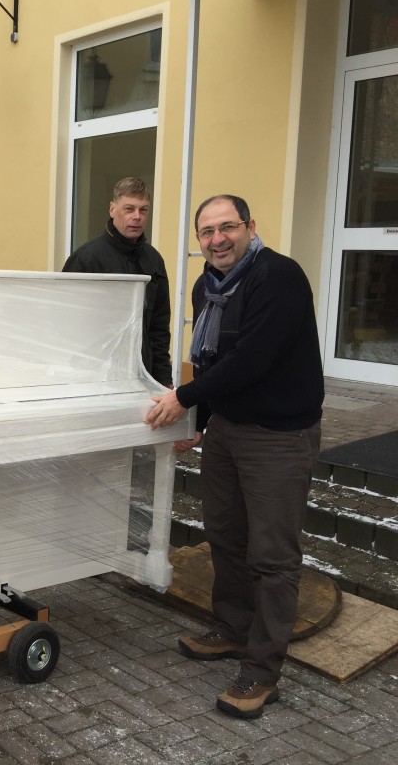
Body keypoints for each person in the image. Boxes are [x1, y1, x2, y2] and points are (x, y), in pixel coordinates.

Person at [145, 194, 323, 720]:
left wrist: (183, 399)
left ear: (250, 226)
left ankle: (262, 670)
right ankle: (232, 627)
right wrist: (197, 423)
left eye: (228, 227)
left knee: (272, 557)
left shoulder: (278, 277)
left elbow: (252, 359)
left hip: (278, 435)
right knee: (224, 533)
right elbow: (211, 358)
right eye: (207, 232)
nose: (217, 239)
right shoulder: (208, 285)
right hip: (228, 428)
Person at [63, 177, 173, 387]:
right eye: (129, 209)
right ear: (112, 209)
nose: (136, 217)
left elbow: (159, 328)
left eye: (143, 210)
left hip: (143, 375)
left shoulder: (154, 260)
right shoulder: (86, 259)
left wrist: (163, 381)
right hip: (93, 379)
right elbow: (66, 328)